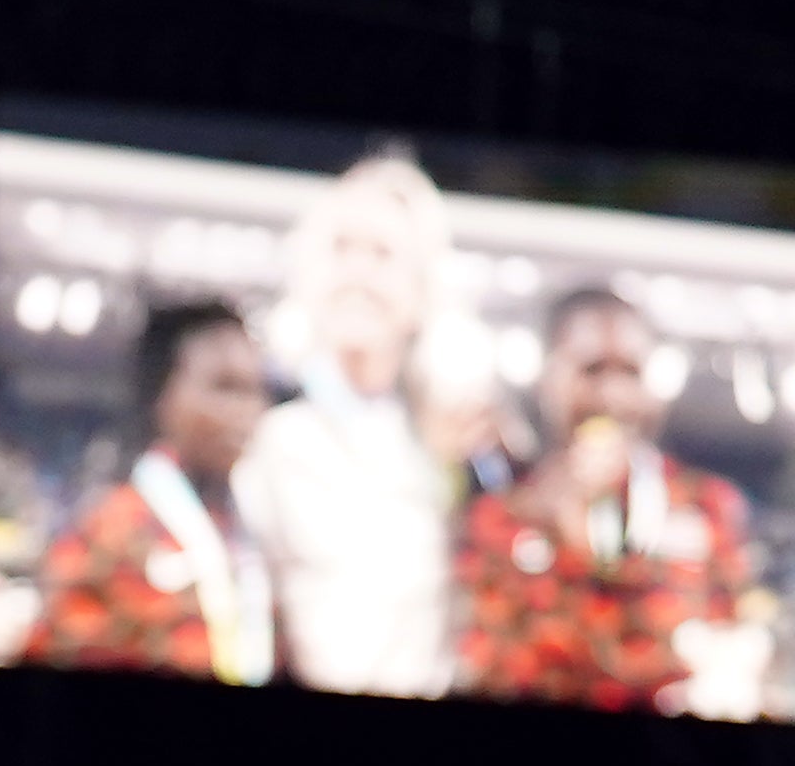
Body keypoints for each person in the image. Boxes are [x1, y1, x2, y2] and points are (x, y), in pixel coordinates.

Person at [457, 285, 774, 718]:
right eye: (591, 370)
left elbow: (730, 649)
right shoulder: (502, 518)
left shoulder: (707, 505)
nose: (611, 395)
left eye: (630, 372)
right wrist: (564, 532)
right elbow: (494, 667)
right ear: (549, 379)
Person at [232, 151, 457, 697]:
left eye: (382, 254)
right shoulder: (264, 438)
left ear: (422, 288)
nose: (357, 274)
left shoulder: (461, 450)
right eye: (340, 249)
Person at [26, 302, 275, 686]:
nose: (247, 410)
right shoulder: (109, 530)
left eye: (255, 390)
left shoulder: (257, 530)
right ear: (161, 396)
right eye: (225, 387)